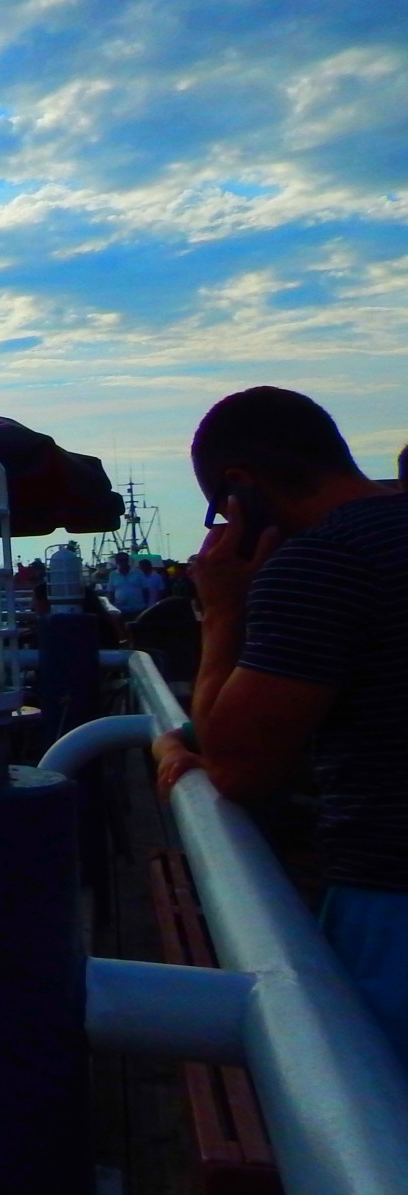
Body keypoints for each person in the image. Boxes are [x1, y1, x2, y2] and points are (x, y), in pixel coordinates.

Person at [152, 386, 408, 1062]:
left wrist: (223, 611)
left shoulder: (322, 563)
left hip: (392, 899)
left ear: (243, 489)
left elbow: (237, 766)